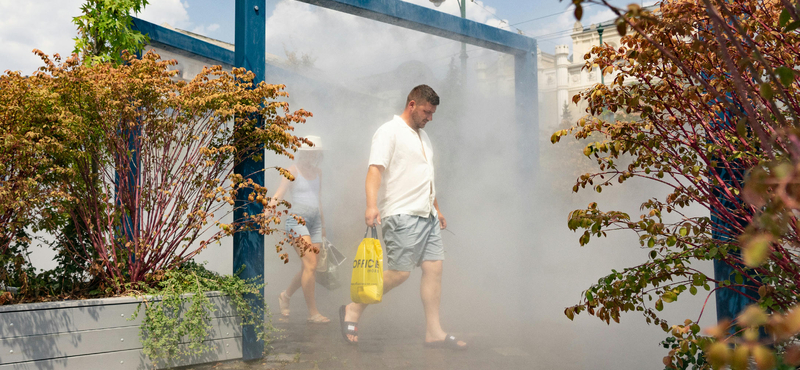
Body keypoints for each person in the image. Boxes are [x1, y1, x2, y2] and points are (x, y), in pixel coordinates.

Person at [339, 85, 467, 349]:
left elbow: (425, 178)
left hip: (427, 215)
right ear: (411, 104)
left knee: (434, 269)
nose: (430, 118)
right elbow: (375, 170)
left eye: (432, 113)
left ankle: (433, 331)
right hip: (401, 214)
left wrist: (437, 209)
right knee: (399, 273)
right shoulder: (389, 131)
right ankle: (352, 309)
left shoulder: (423, 137)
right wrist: (371, 205)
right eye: (426, 112)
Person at [270, 135, 330, 324]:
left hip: (315, 222)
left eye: (314, 154)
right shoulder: (292, 171)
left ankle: (285, 296)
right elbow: (279, 193)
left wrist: (323, 224)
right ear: (301, 153)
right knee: (311, 264)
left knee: (309, 266)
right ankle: (313, 313)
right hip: (297, 221)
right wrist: (268, 210)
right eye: (307, 153)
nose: (310, 157)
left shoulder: (319, 172)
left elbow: (317, 198)